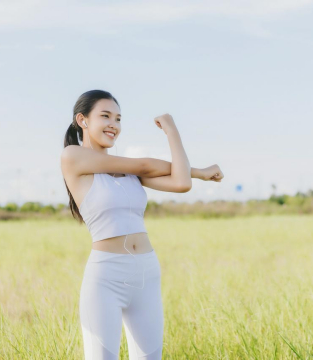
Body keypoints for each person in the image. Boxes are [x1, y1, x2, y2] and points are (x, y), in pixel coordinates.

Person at [60, 90, 224, 359]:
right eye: (105, 116)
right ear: (83, 120)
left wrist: (172, 131)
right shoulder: (72, 156)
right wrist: (199, 171)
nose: (114, 124)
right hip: (106, 277)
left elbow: (180, 183)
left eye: (118, 118)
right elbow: (146, 165)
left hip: (147, 272)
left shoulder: (131, 173)